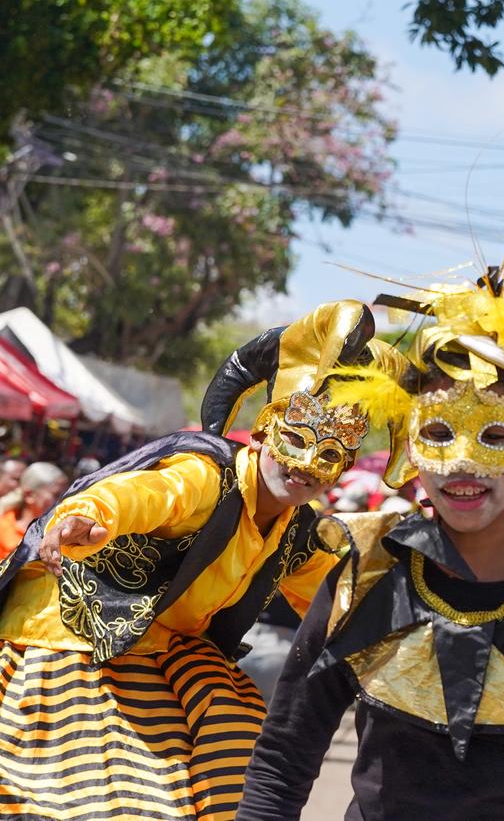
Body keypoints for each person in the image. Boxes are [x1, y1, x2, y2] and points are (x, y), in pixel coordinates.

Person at [238, 211, 504, 821]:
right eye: (438, 432)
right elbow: (283, 760)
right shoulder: (365, 576)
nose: (463, 464)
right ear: (410, 443)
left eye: (494, 435)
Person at [0, 301, 379, 820]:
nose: (306, 465)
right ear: (265, 430)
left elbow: (344, 603)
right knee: (104, 800)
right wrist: (86, 516)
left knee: (239, 763)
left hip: (170, 653)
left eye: (329, 455)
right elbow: (145, 493)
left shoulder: (301, 533)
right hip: (76, 639)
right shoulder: (207, 475)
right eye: (296, 440)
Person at [0, 461, 66, 553]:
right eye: (56, 495)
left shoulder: (64, 532)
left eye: (65, 495)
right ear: (29, 495)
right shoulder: (3, 528)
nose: (63, 501)